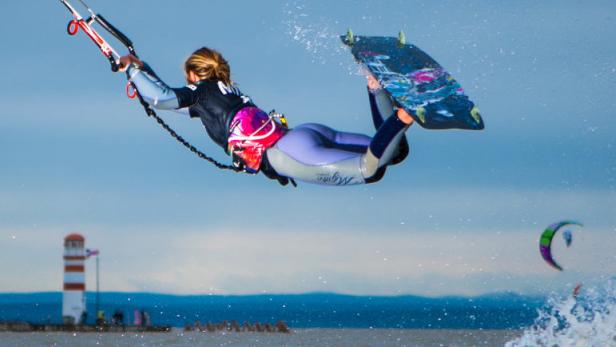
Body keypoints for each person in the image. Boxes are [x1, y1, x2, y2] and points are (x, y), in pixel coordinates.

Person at [119, 47, 413, 186]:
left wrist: (129, 69)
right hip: (305, 133)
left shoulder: (200, 93)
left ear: (195, 75)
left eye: (189, 78)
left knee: (370, 169)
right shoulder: (226, 90)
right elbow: (170, 97)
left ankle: (401, 117)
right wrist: (143, 68)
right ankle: (375, 86)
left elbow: (161, 98)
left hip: (287, 154)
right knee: (393, 150)